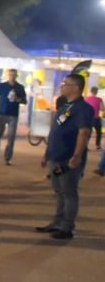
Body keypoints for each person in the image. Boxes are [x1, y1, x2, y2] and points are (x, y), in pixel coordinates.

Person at [34, 73, 94, 240]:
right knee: (59, 192)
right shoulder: (66, 106)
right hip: (55, 156)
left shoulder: (83, 109)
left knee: (69, 193)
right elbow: (55, 131)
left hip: (68, 158)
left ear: (75, 87)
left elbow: (84, 133)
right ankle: (57, 222)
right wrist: (47, 154)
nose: (62, 86)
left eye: (65, 84)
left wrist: (76, 156)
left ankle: (67, 227)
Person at [0, 68, 27, 164]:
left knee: (11, 137)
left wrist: (18, 99)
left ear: (16, 76)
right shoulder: (2, 86)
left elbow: (24, 101)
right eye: (11, 75)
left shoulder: (20, 87)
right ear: (8, 75)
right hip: (2, 113)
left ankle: (8, 157)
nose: (12, 77)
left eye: (14, 75)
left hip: (13, 115)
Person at [84, 86, 102, 150]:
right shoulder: (99, 99)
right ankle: (97, 145)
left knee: (88, 132)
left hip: (89, 118)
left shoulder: (86, 99)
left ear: (91, 91)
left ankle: (85, 145)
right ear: (97, 92)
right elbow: (102, 108)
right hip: (97, 118)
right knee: (98, 132)